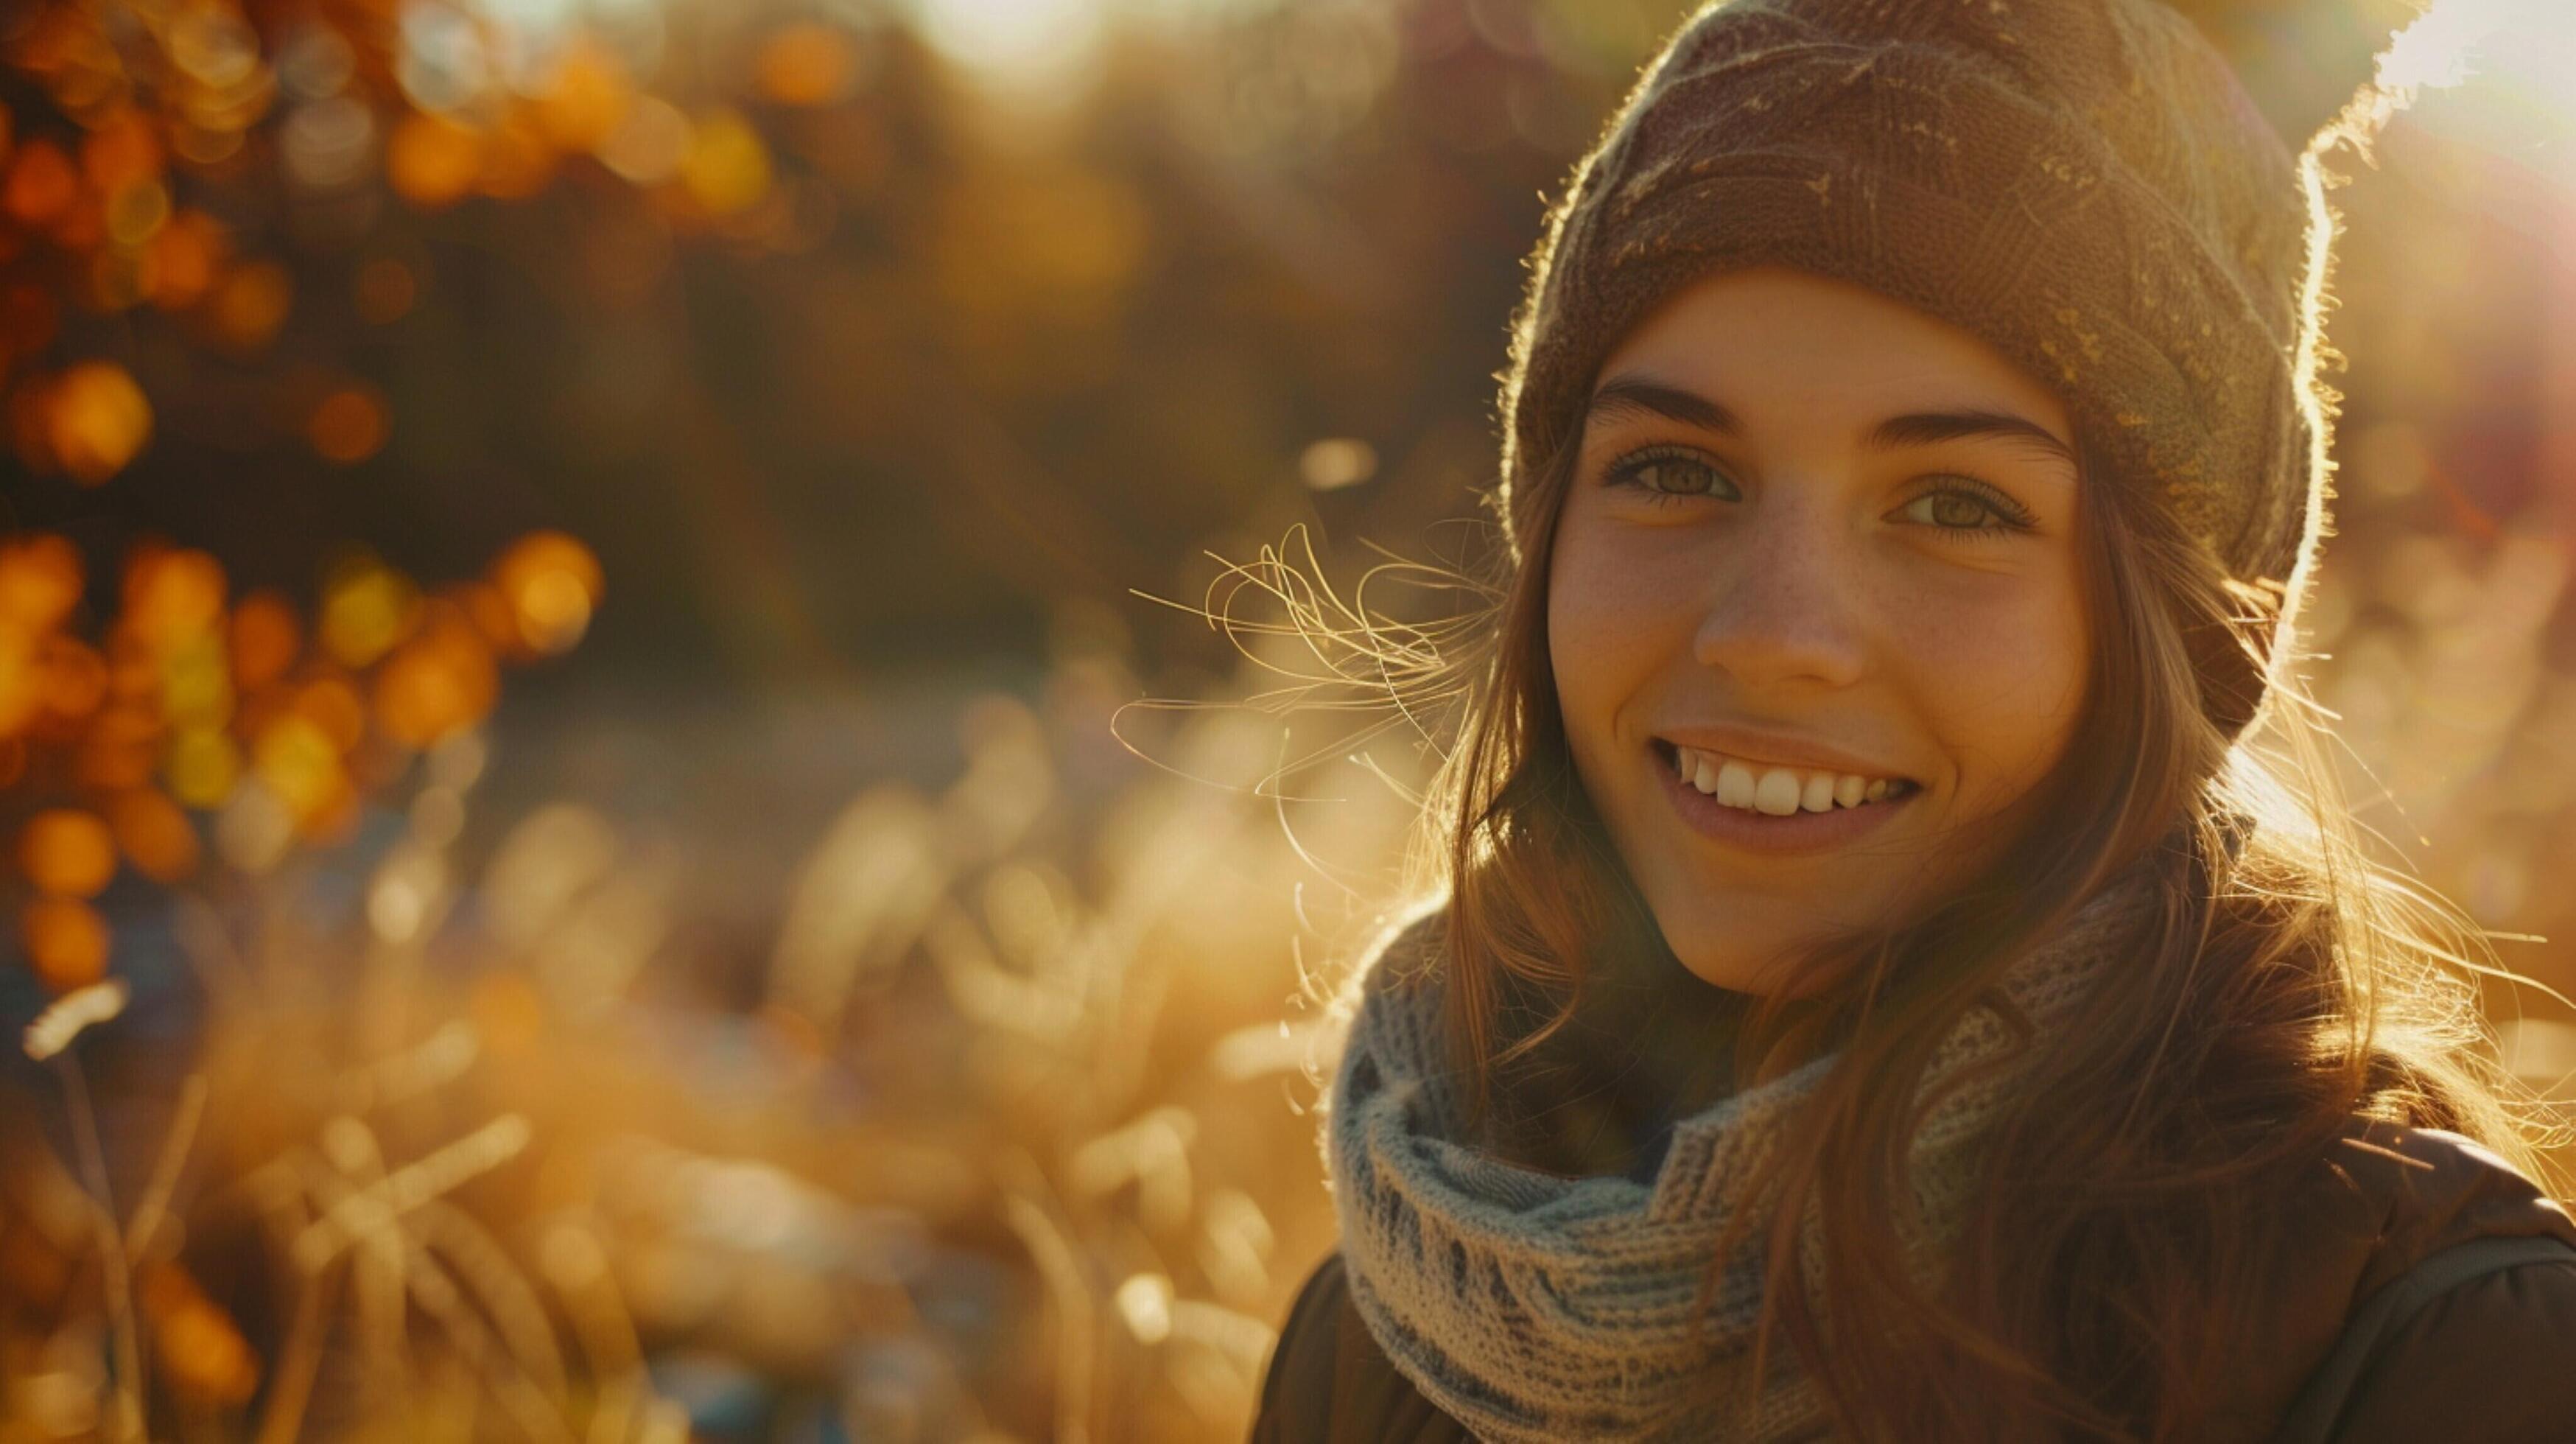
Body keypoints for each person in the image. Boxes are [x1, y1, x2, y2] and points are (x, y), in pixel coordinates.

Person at [1247, 0, 2576, 1440]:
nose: (1772, 633)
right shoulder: (1399, 1329)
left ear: (2179, 636)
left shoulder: (2438, 1360)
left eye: (1956, 504)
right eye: (1678, 471)